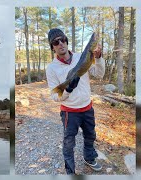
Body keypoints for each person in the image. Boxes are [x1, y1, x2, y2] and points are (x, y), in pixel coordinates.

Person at [46, 28, 105, 174]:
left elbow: (99, 74)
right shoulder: (51, 68)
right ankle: (70, 171)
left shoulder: (81, 56)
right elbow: (55, 96)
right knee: (68, 143)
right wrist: (68, 89)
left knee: (90, 135)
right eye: (56, 42)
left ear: (66, 40)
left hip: (87, 107)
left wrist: (98, 58)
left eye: (63, 39)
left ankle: (89, 158)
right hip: (69, 112)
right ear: (52, 47)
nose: (61, 43)